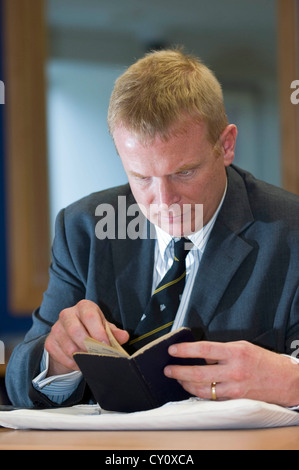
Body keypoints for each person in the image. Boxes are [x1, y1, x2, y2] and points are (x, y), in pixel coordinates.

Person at [6, 48, 299, 409]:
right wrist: (58, 359)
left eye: (184, 172)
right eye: (141, 177)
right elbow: (20, 386)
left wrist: (292, 382)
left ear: (225, 145)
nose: (164, 200)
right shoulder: (85, 228)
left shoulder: (291, 232)